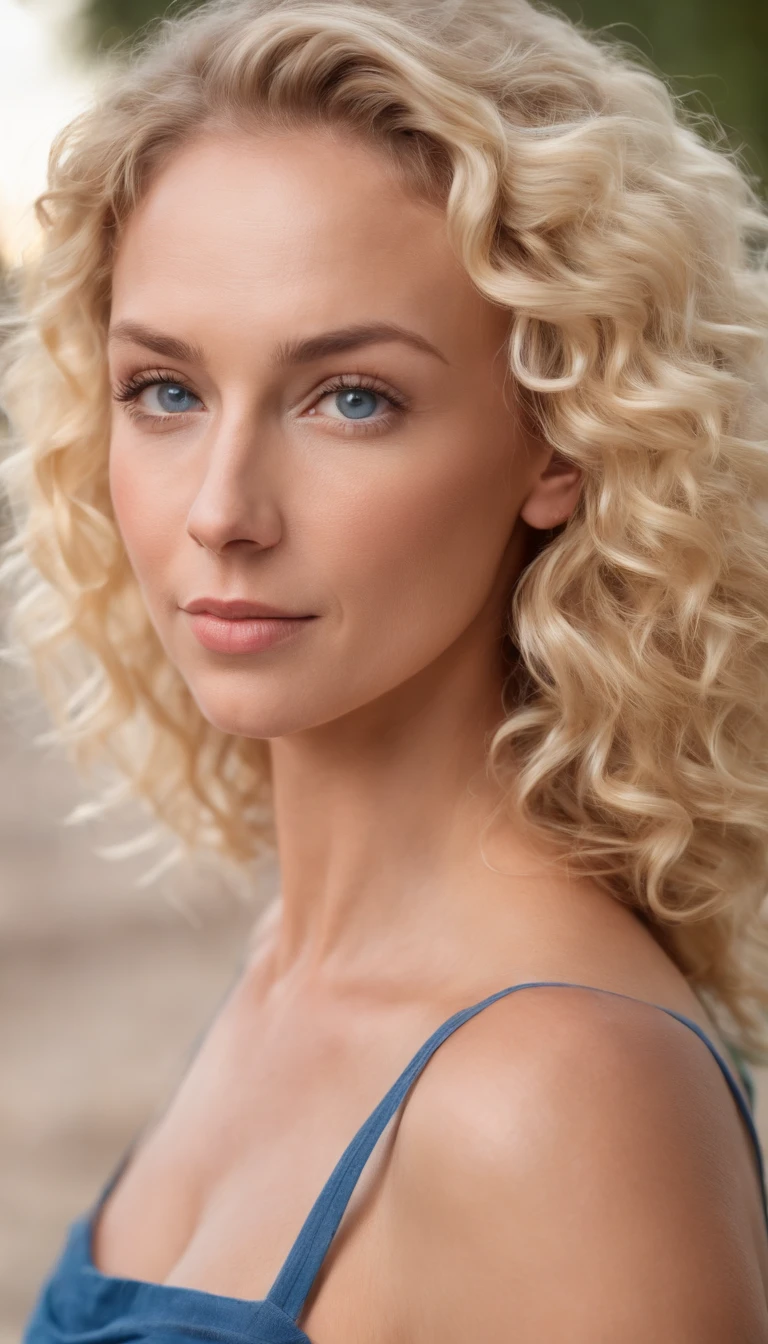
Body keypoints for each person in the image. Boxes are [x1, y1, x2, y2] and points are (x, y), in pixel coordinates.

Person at [3, 0, 768, 1338]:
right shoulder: (292, 962)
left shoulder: (559, 1097)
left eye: (351, 397)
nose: (222, 510)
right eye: (166, 392)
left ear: (560, 445)